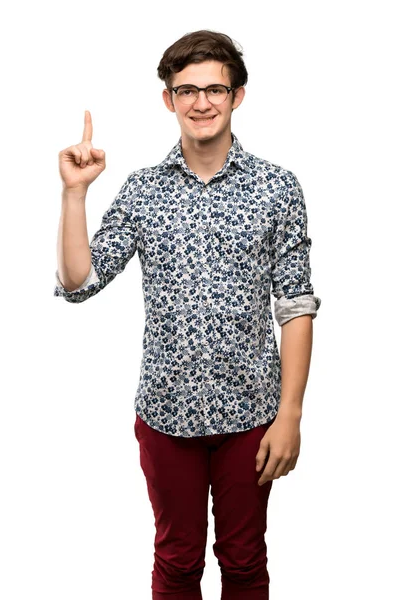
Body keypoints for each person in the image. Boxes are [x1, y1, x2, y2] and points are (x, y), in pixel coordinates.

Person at [54, 29, 321, 600]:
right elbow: (81, 282)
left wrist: (290, 413)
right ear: (168, 99)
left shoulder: (277, 188)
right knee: (176, 562)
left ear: (238, 96)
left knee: (245, 561)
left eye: (215, 89)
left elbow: (296, 305)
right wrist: (74, 195)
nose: (201, 102)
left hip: (251, 413)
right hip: (166, 414)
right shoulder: (144, 191)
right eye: (187, 90)